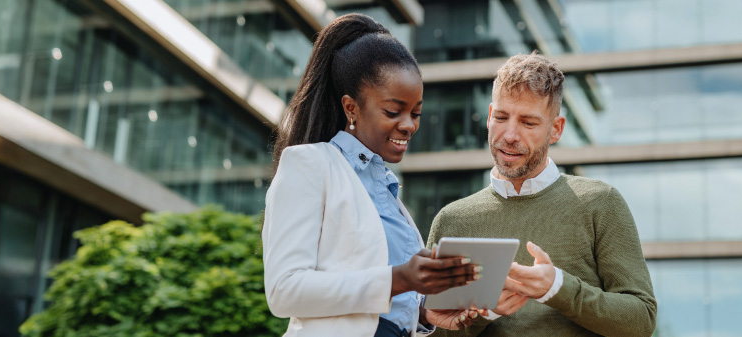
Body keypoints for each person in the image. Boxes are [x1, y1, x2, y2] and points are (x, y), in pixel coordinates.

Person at [263, 13, 490, 337]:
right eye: (392, 111)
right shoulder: (310, 164)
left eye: (416, 113)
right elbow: (284, 290)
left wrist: (425, 312)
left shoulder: (388, 192)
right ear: (351, 108)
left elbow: (383, 305)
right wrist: (400, 279)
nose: (409, 125)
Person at [424, 52, 657, 337]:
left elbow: (641, 320)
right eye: (501, 117)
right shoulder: (452, 221)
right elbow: (433, 332)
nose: (510, 134)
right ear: (488, 117)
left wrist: (557, 288)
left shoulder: (600, 202)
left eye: (528, 123)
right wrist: (484, 313)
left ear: (555, 129)